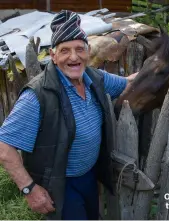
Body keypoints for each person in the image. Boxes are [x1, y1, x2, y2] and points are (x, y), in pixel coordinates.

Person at [0, 10, 137, 220]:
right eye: (65, 51)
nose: (73, 57)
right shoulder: (38, 95)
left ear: (88, 52)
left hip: (89, 176)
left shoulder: (94, 78)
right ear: (53, 57)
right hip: (60, 183)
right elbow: (4, 146)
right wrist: (29, 189)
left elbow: (128, 83)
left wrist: (164, 68)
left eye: (79, 49)